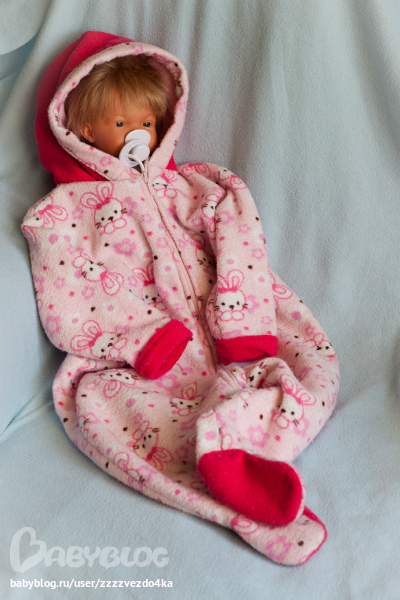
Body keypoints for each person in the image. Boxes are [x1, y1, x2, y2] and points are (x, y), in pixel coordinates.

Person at [22, 31, 339, 566]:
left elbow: (242, 241)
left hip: (234, 325)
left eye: (147, 123)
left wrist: (242, 321)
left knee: (312, 371)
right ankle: (248, 508)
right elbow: (64, 300)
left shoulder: (197, 187)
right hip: (147, 360)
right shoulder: (62, 214)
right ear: (81, 131)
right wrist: (140, 342)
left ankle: (241, 449)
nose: (137, 135)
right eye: (120, 124)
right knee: (121, 422)